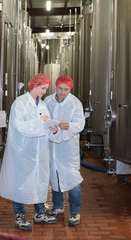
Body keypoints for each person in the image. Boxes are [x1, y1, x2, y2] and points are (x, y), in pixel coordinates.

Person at [0, 73, 61, 231]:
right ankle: (20, 215)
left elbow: (45, 125)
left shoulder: (43, 105)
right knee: (20, 182)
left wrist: (52, 129)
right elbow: (20, 126)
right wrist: (41, 123)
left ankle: (39, 212)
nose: (44, 92)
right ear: (34, 86)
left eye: (46, 89)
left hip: (39, 152)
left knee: (39, 181)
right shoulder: (20, 103)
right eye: (42, 88)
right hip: (22, 151)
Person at [44, 75, 85, 226]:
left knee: (72, 179)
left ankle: (74, 212)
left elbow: (80, 124)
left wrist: (70, 126)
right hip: (52, 146)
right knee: (55, 177)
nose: (62, 92)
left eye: (66, 90)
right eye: (60, 89)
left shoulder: (75, 103)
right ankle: (58, 207)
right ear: (56, 86)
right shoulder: (47, 101)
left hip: (68, 148)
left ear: (70, 89)